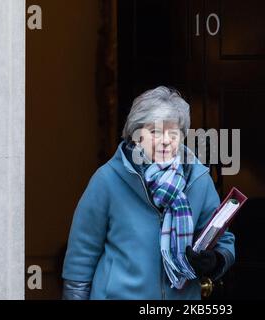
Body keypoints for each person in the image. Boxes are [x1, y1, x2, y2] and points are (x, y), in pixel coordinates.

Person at [62, 86, 235, 300]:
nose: (165, 140)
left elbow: (223, 239)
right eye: (155, 132)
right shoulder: (107, 179)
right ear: (136, 135)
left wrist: (216, 260)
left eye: (173, 133)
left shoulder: (198, 180)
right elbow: (82, 255)